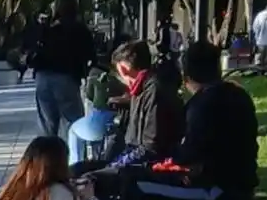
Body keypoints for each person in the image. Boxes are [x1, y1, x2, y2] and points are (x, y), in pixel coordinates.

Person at [101, 40, 260, 200]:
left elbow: (188, 155)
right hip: (230, 184)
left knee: (132, 185)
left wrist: (169, 161)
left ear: (187, 75)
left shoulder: (203, 105)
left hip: (218, 190)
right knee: (131, 179)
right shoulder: (236, 94)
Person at [72, 40, 184, 192]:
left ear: (124, 69)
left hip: (151, 166)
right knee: (77, 170)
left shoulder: (155, 92)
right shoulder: (142, 90)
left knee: (88, 179)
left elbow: (150, 148)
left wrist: (116, 165)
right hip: (136, 158)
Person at [29, 0, 94, 138]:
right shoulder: (79, 29)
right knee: (73, 123)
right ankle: (72, 156)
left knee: (47, 124)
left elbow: (33, 48)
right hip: (66, 77)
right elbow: (90, 55)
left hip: (43, 77)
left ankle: (47, 156)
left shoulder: (47, 28)